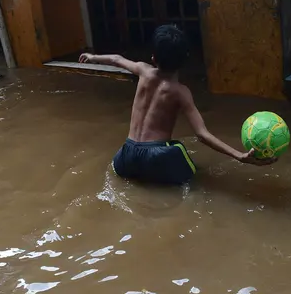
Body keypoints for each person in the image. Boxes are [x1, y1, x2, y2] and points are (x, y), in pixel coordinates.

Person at [79, 25, 272, 185]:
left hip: (125, 156)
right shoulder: (180, 92)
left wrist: (92, 57)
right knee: (193, 171)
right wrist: (239, 156)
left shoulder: (142, 70)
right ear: (186, 61)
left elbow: (116, 59)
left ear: (153, 58)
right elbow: (202, 134)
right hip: (155, 156)